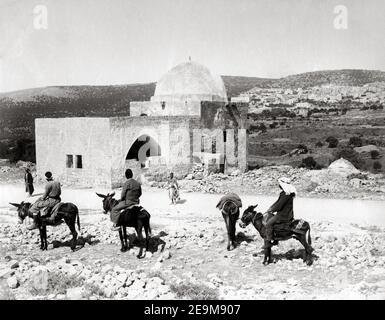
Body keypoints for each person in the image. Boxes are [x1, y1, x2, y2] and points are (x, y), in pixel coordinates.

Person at [263, 177, 296, 248]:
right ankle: (275, 239)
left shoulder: (285, 194)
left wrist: (271, 209)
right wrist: (271, 207)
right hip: (288, 214)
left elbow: (279, 205)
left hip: (283, 215)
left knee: (268, 224)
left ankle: (269, 241)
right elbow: (277, 203)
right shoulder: (288, 193)